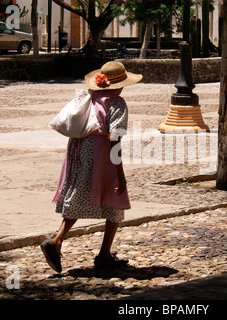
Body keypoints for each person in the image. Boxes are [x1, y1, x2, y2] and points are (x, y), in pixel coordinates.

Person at [41, 61, 142, 273]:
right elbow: (115, 137)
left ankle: (60, 239)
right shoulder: (117, 103)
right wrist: (120, 173)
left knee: (79, 192)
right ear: (120, 84)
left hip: (78, 148)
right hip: (101, 151)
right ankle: (102, 253)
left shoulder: (91, 97)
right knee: (115, 197)